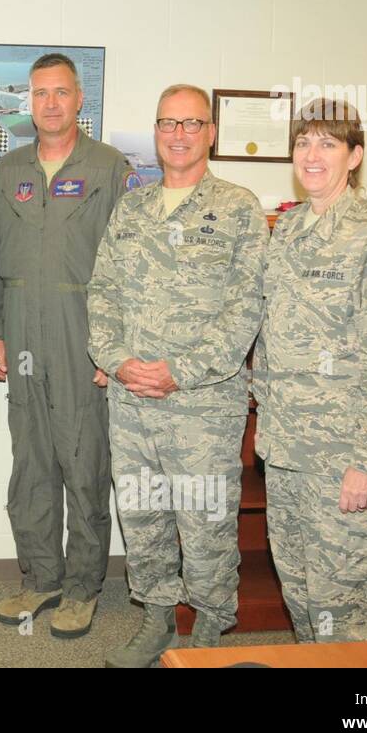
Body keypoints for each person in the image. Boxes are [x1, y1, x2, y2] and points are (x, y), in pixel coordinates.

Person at [86, 83, 267, 666]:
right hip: (132, 400)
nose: (179, 134)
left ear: (211, 133)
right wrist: (115, 360)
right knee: (141, 514)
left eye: (192, 124)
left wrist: (179, 372)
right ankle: (157, 620)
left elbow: (246, 309)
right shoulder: (132, 206)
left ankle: (210, 631)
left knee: (206, 519)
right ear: (157, 132)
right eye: (168, 123)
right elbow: (103, 292)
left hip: (202, 406)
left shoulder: (239, 208)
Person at [252, 97, 367, 643]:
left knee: (348, 613)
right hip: (286, 455)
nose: (312, 154)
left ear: (354, 156)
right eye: (303, 142)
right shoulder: (289, 228)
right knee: (303, 598)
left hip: (342, 462)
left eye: (327, 143)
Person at [0, 52, 132, 639]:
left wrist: (113, 351)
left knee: (84, 461)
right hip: (21, 332)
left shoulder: (109, 168)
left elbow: (130, 266)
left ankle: (83, 586)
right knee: (32, 461)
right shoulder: (8, 171)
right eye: (39, 94)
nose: (49, 103)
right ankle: (40, 576)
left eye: (60, 93)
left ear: (79, 100)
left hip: (83, 336)